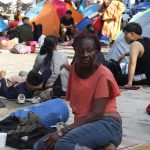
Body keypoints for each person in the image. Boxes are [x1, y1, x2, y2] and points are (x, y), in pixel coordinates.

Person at [33, 32, 122, 150]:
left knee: (62, 145)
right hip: (86, 124)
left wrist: (63, 131)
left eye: (90, 50)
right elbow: (70, 68)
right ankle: (103, 147)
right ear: (75, 51)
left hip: (107, 124)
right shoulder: (75, 68)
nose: (85, 54)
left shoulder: (103, 75)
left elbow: (97, 113)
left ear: (97, 51)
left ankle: (104, 144)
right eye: (80, 51)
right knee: (41, 145)